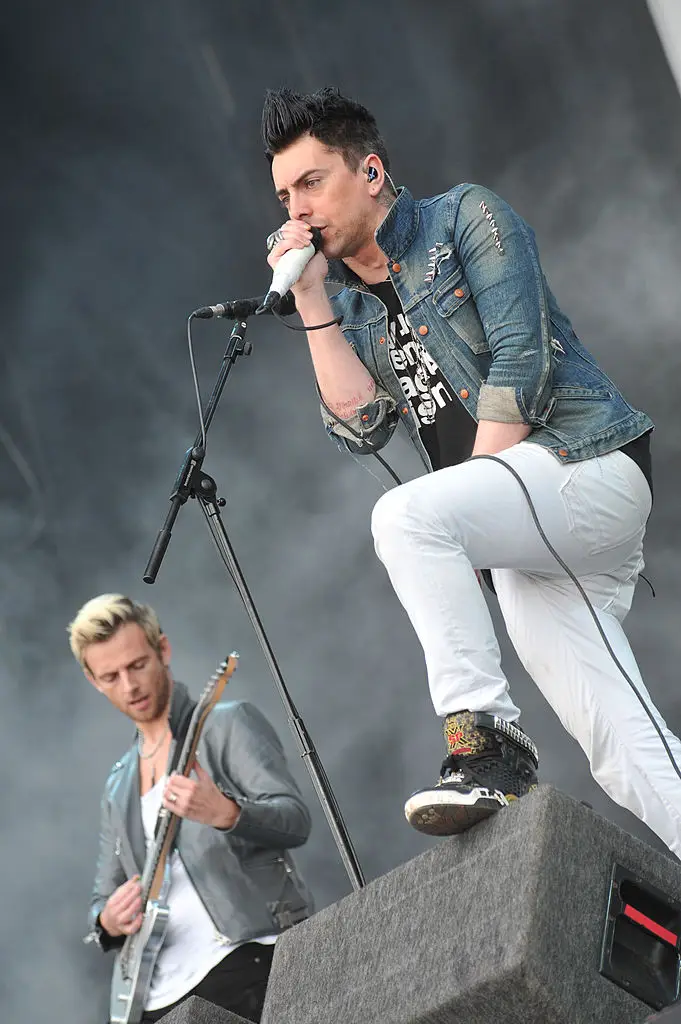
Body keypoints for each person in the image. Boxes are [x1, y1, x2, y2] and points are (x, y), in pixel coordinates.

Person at [259, 86, 681, 856]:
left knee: (407, 515)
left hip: (584, 466)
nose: (298, 209)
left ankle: (484, 741)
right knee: (626, 756)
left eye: (312, 183)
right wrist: (314, 300)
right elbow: (362, 426)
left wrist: (472, 510)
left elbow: (522, 367)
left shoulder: (464, 219)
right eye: (285, 195)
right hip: (522, 540)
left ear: (372, 171)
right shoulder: (348, 307)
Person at [69, 594, 312, 1023]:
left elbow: (295, 821)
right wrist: (107, 919)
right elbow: (100, 900)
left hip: (243, 958)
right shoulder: (118, 785)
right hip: (155, 1000)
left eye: (137, 665)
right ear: (93, 680)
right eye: (111, 676)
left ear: (163, 649)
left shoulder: (225, 724)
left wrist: (228, 814)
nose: (129, 686)